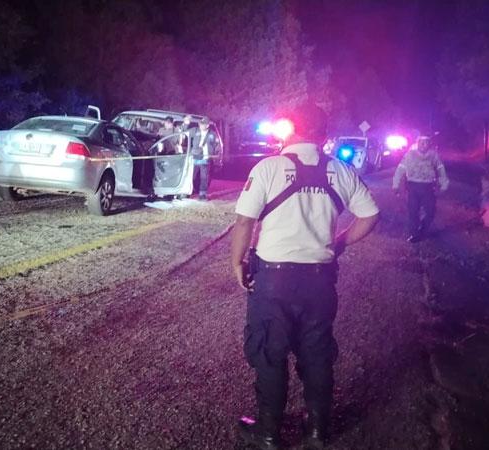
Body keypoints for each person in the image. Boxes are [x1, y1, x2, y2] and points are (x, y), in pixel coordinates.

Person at [230, 103, 380, 449]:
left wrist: (237, 262)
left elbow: (245, 221)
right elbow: (370, 215)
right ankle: (317, 431)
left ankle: (268, 433)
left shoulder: (268, 168)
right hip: (319, 280)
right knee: (316, 352)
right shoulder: (341, 171)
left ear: (291, 128)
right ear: (324, 135)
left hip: (273, 281)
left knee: (270, 351)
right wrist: (339, 243)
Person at [392, 136, 448, 242]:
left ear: (429, 144)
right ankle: (414, 235)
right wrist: (395, 185)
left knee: (430, 211)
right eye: (421, 142)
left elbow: (441, 169)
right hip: (413, 187)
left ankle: (423, 228)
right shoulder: (410, 155)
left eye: (425, 142)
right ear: (417, 143)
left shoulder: (433, 155)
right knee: (413, 212)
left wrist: (444, 184)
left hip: (428, 187)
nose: (423, 144)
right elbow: (400, 169)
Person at [190, 117, 218, 200]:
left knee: (204, 177)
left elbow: (217, 145)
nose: (200, 125)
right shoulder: (195, 130)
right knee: (191, 176)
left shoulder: (212, 134)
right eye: (200, 124)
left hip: (205, 158)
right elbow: (184, 133)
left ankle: (202, 194)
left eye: (203, 124)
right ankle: (188, 191)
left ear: (207, 125)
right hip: (195, 157)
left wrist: (215, 155)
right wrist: (185, 124)